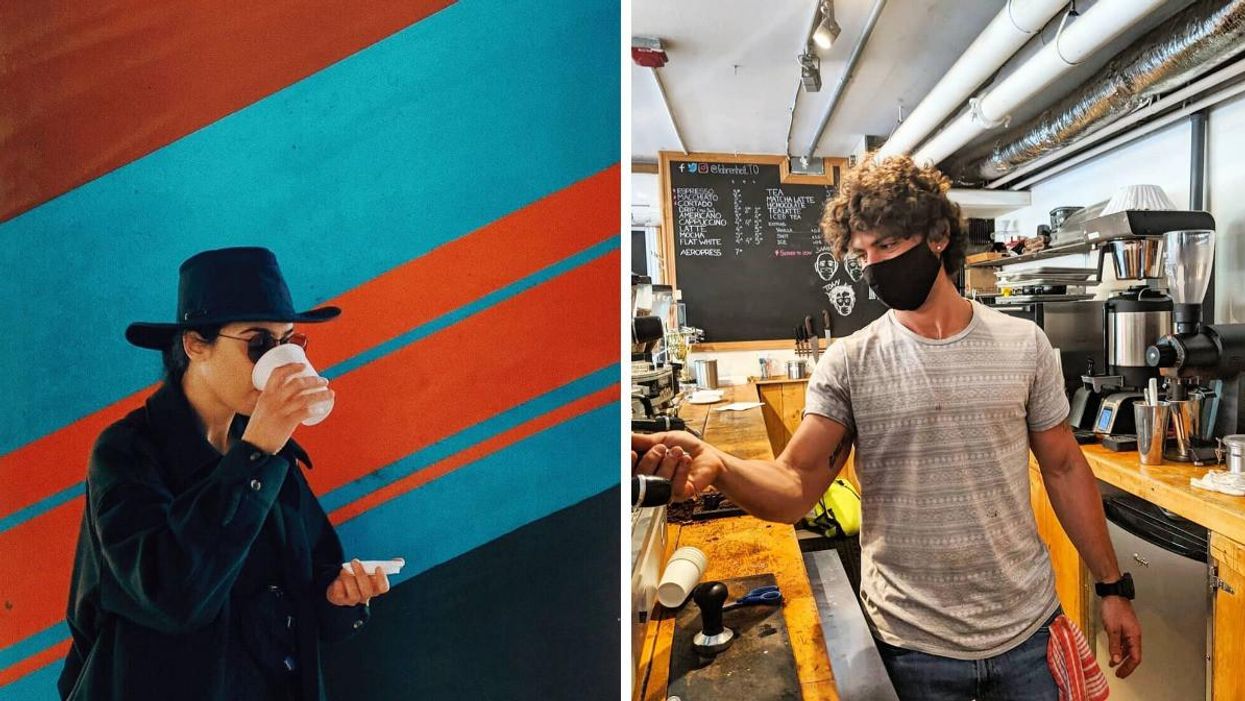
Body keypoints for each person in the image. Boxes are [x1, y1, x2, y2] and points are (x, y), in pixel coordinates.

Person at [633, 156, 1141, 700]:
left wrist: (1112, 586)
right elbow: (794, 488)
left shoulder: (1025, 345)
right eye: (861, 253)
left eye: (888, 245)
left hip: (1027, 634)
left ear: (938, 236)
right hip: (911, 649)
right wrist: (718, 465)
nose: (873, 266)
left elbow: (1064, 467)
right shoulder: (850, 362)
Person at [59, 247, 392, 700]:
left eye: (289, 342)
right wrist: (257, 451)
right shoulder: (128, 452)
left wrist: (341, 598)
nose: (280, 361)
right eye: (258, 344)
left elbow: (308, 584)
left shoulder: (270, 452)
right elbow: (172, 596)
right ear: (196, 344)